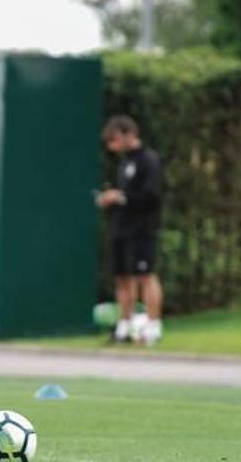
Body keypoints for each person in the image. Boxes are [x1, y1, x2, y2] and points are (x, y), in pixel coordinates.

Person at [96, 115, 164, 345]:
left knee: (145, 276)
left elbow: (152, 196)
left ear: (128, 134)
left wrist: (120, 197)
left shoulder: (149, 159)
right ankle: (125, 326)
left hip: (142, 228)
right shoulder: (125, 163)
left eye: (115, 140)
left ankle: (153, 327)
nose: (112, 146)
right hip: (122, 228)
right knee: (122, 278)